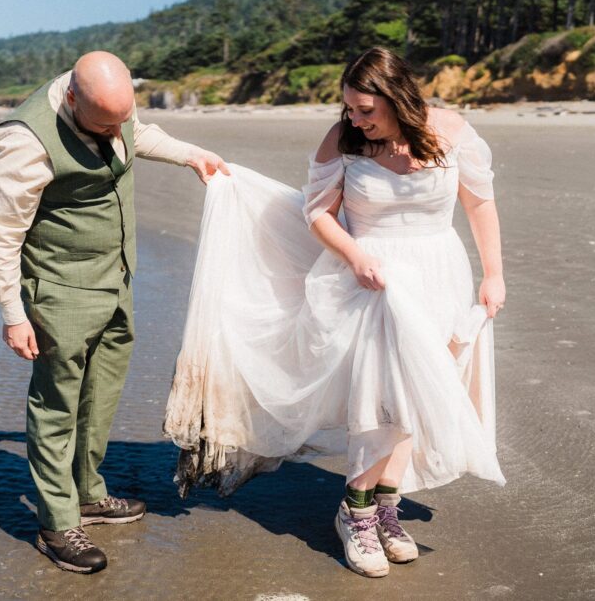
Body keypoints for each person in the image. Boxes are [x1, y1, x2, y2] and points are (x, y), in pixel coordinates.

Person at [165, 46, 505, 578]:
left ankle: (387, 507)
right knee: (381, 396)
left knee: (417, 394)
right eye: (349, 108)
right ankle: (357, 512)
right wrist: (355, 255)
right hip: (370, 279)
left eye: (366, 110)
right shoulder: (343, 140)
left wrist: (493, 275)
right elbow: (316, 212)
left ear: (399, 100)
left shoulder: (452, 131)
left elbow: (480, 204)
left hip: (440, 272)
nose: (355, 119)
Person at [0, 51, 228, 574]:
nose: (118, 131)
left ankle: (90, 493)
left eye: (123, 119)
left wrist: (191, 154)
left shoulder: (111, 107)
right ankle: (56, 521)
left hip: (116, 279)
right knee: (56, 405)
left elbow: (141, 133)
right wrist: (12, 313)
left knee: (101, 394)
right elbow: (1, 236)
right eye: (105, 124)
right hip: (60, 290)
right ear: (72, 97)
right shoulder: (24, 142)